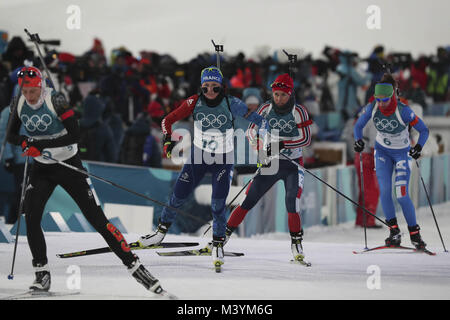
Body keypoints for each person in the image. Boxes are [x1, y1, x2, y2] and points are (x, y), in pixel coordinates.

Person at [6, 66, 164, 294]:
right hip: (42, 168)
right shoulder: (17, 103)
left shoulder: (56, 100)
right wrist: (23, 142)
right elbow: (11, 135)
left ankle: (135, 265)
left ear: (41, 85)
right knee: (31, 217)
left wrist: (39, 145)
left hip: (68, 164)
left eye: (33, 90)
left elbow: (75, 135)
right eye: (25, 90)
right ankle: (42, 274)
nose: (29, 95)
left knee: (97, 219)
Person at [138, 66, 268, 270]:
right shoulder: (193, 102)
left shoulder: (232, 103)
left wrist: (268, 140)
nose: (209, 92)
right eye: (205, 87)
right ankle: (159, 233)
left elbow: (260, 122)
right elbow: (167, 120)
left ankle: (217, 244)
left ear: (222, 87)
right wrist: (167, 141)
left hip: (222, 161)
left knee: (218, 204)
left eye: (214, 88)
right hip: (198, 158)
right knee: (178, 196)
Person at [223, 73, 313, 263]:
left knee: (292, 202)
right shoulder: (265, 108)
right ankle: (222, 237)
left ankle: (296, 243)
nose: (279, 98)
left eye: (283, 95)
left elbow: (306, 138)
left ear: (290, 94)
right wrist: (259, 146)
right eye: (276, 94)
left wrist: (281, 145)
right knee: (248, 200)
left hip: (292, 165)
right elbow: (251, 131)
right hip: (270, 163)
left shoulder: (299, 111)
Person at [354, 73, 430, 250]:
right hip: (381, 152)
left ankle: (415, 234)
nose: (381, 103)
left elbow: (424, 130)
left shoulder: (404, 111)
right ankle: (394, 232)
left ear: (392, 96)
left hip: (402, 154)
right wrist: (358, 140)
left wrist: (418, 147)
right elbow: (358, 126)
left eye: (385, 100)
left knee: (402, 195)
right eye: (378, 99)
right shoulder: (372, 106)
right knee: (385, 191)